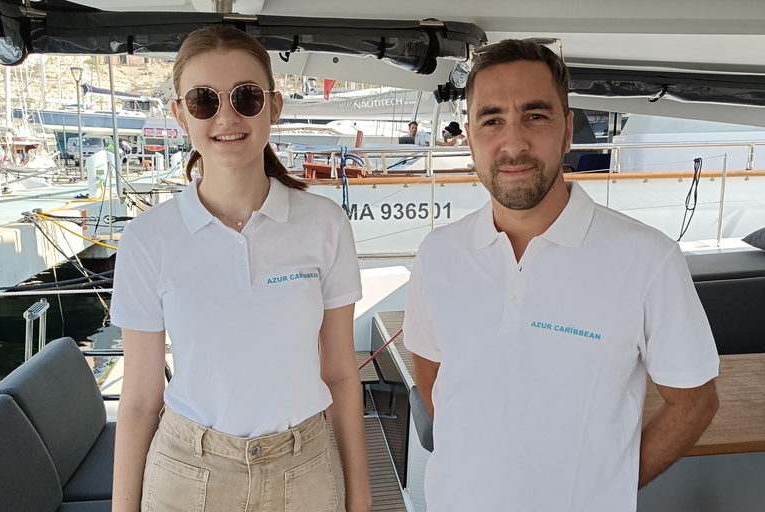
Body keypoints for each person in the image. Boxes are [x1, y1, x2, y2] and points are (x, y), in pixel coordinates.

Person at [403, 39, 719, 512]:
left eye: (536, 115)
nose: (513, 143)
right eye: (491, 120)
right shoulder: (438, 254)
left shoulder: (648, 259)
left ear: (567, 129)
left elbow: (695, 402)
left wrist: (606, 488)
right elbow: (432, 374)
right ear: (469, 136)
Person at [111, 27, 371, 512]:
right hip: (187, 472)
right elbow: (142, 397)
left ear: (273, 106)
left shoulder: (324, 225)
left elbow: (338, 372)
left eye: (246, 97)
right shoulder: (148, 240)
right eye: (204, 100)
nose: (226, 116)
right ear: (180, 114)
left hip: (306, 470)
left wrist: (360, 496)